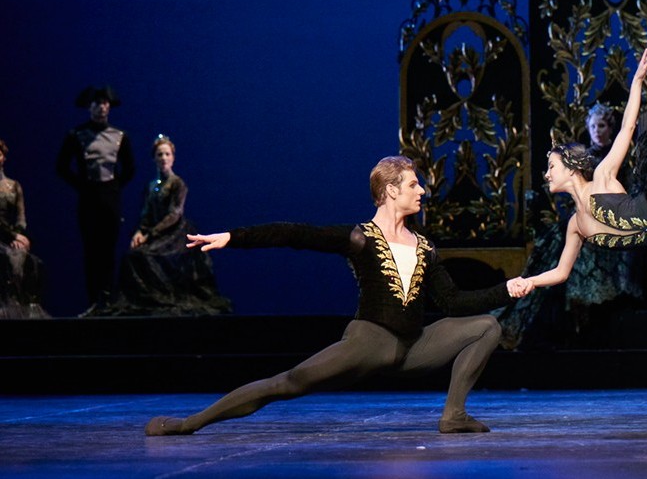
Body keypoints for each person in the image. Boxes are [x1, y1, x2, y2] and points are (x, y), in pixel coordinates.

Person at [145, 155, 529, 437]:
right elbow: (295, 234)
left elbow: (452, 303)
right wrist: (233, 237)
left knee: (485, 326)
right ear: (391, 190)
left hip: (414, 348)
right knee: (288, 382)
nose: (422, 191)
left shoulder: (426, 246)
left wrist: (505, 289)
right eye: (414, 184)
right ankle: (189, 423)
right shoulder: (360, 238)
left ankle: (454, 415)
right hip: (369, 344)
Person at [513, 0, 647, 432]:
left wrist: (637, 83)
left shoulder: (602, 176)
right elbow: (561, 274)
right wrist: (528, 281)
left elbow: (626, 128)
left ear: (571, 167)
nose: (546, 173)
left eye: (551, 165)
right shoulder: (575, 225)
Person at [100, 135, 231, 316]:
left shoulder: (177, 183)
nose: (163, 158)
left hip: (174, 234)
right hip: (155, 233)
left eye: (167, 154)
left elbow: (174, 214)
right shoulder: (152, 185)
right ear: (154, 158)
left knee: (149, 257)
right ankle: (143, 302)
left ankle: (163, 300)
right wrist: (140, 231)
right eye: (160, 154)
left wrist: (150, 234)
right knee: (132, 256)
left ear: (173, 157)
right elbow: (146, 213)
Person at [56, 85, 135, 314]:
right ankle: (94, 301)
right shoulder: (77, 135)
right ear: (89, 106)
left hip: (110, 198)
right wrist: (81, 185)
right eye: (97, 103)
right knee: (91, 250)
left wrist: (115, 186)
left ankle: (108, 300)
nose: (101, 107)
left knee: (108, 250)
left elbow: (130, 168)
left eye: (104, 103)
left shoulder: (120, 136)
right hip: (88, 198)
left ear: (109, 107)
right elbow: (61, 167)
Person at [0, 138, 49, 319]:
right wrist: (12, 236)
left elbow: (21, 217)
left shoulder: (14, 185)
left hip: (11, 238)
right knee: (7, 259)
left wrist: (20, 235)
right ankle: (7, 307)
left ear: (4, 157)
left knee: (34, 263)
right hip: (3, 237)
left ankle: (27, 308)